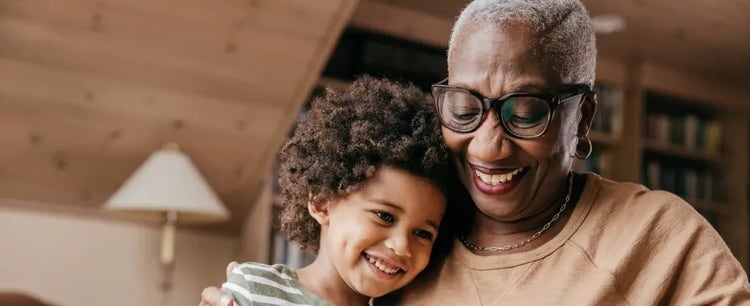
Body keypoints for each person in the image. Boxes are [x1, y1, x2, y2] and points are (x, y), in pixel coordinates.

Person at [203, 0, 750, 305]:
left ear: (582, 118)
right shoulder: (412, 253)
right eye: (466, 106)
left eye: (526, 109)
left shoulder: (661, 239)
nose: (489, 144)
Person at [205, 76, 455, 306]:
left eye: (423, 233)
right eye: (384, 216)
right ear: (322, 203)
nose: (402, 246)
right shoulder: (255, 289)